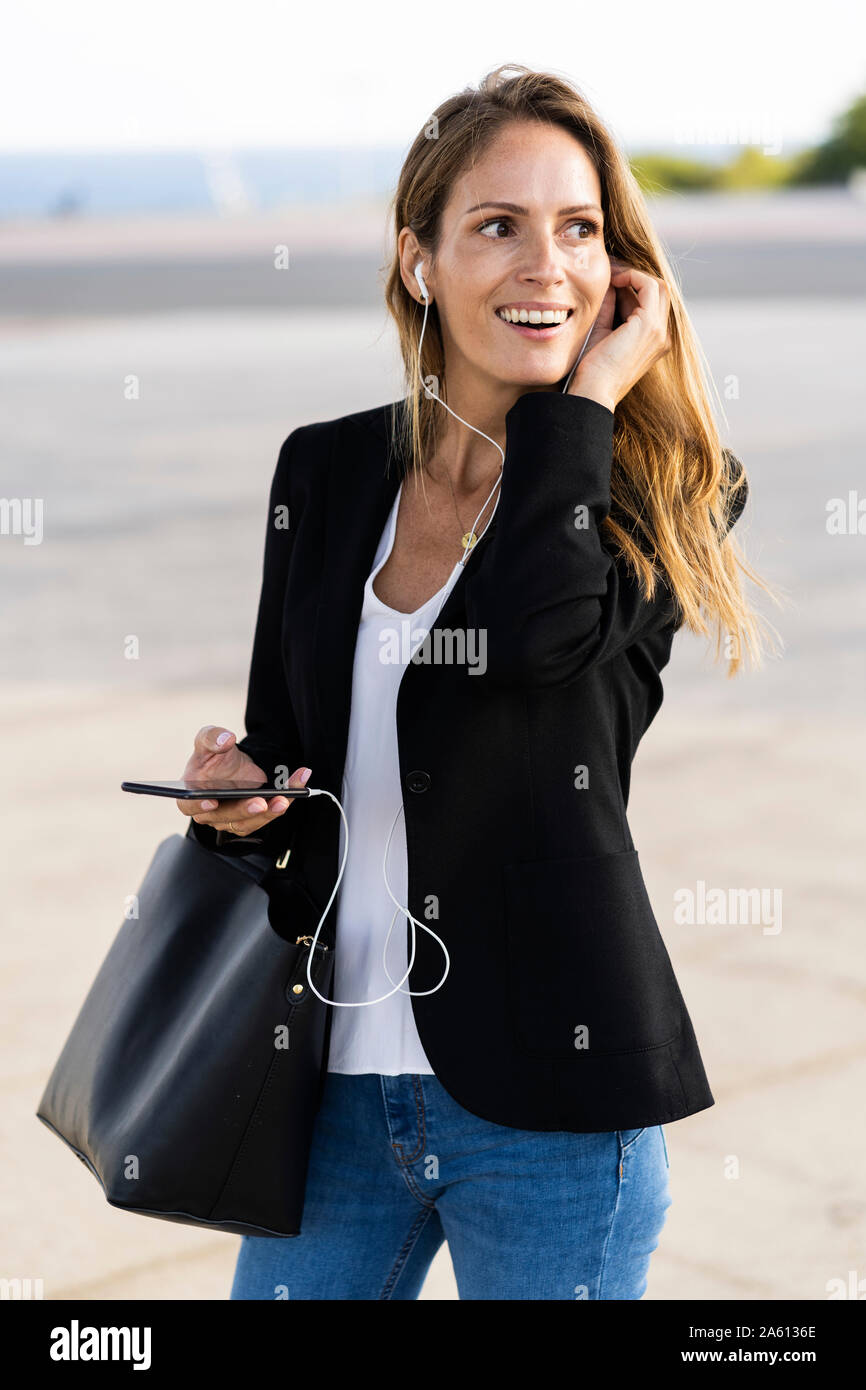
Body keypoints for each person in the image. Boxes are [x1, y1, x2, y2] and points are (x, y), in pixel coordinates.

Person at [176, 64, 772, 1300]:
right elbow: (294, 743)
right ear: (417, 260)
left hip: (552, 1109)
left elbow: (534, 634)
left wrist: (592, 397)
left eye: (577, 230)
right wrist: (238, 792)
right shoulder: (328, 470)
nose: (543, 266)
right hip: (329, 1081)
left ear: (621, 273)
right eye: (496, 226)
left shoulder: (663, 490)